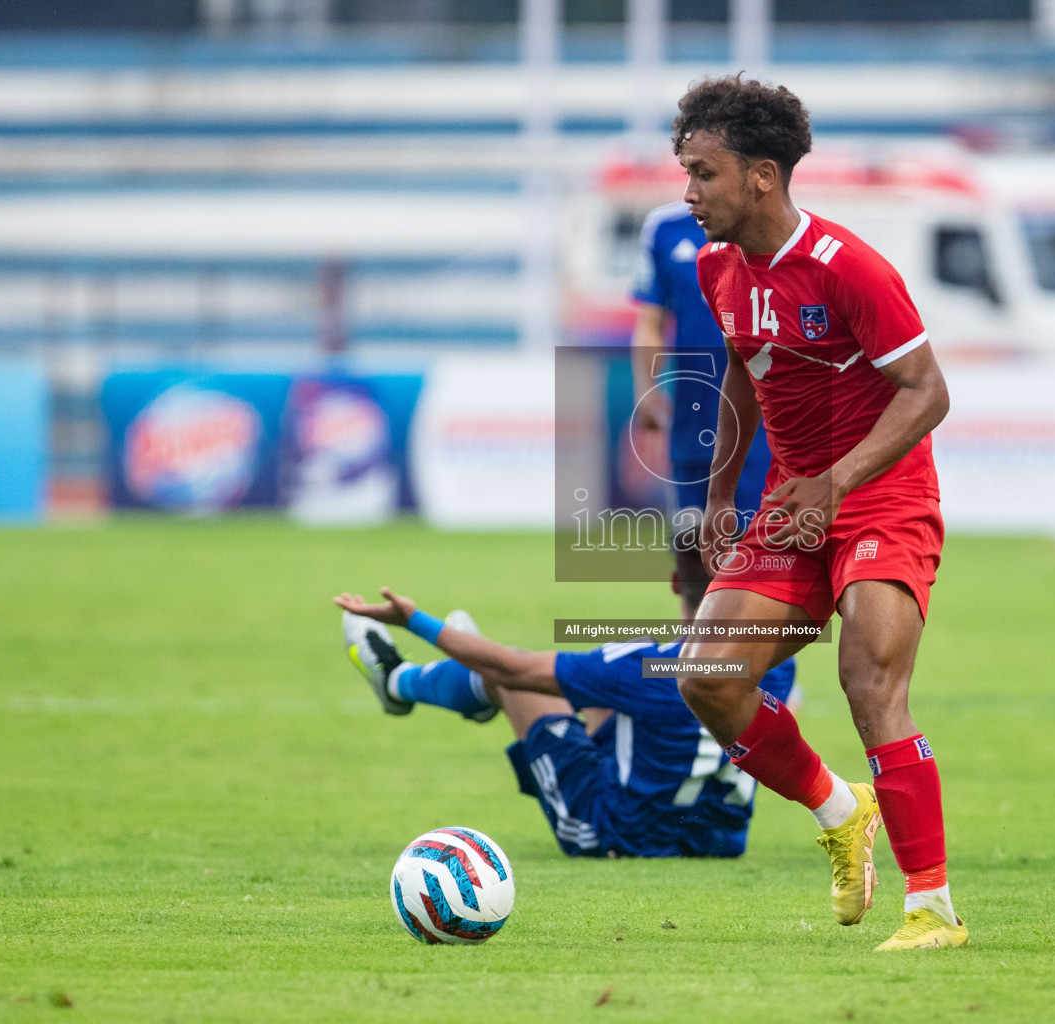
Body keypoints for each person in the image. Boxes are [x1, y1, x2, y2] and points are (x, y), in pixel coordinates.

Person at [670, 76, 961, 951]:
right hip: (791, 502)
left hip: (881, 494)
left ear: (762, 175)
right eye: (684, 172)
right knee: (708, 678)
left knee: (871, 686)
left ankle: (932, 910)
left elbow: (928, 391)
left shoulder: (850, 268)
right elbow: (744, 367)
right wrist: (722, 494)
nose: (688, 193)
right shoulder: (716, 267)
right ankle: (841, 810)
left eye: (703, 173)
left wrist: (836, 480)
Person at [332, 535, 797, 860]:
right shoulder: (777, 660)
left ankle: (399, 681)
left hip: (615, 837)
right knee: (601, 692)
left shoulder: (643, 664)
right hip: (721, 842)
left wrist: (416, 620)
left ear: (677, 582)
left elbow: (511, 666)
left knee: (514, 680)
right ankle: (468, 684)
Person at [630, 200, 774, 529]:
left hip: (762, 424)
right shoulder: (664, 227)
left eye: (704, 172)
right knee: (691, 541)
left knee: (754, 547)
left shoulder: (773, 228)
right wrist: (646, 390)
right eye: (690, 170)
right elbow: (651, 320)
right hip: (691, 416)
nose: (692, 187)